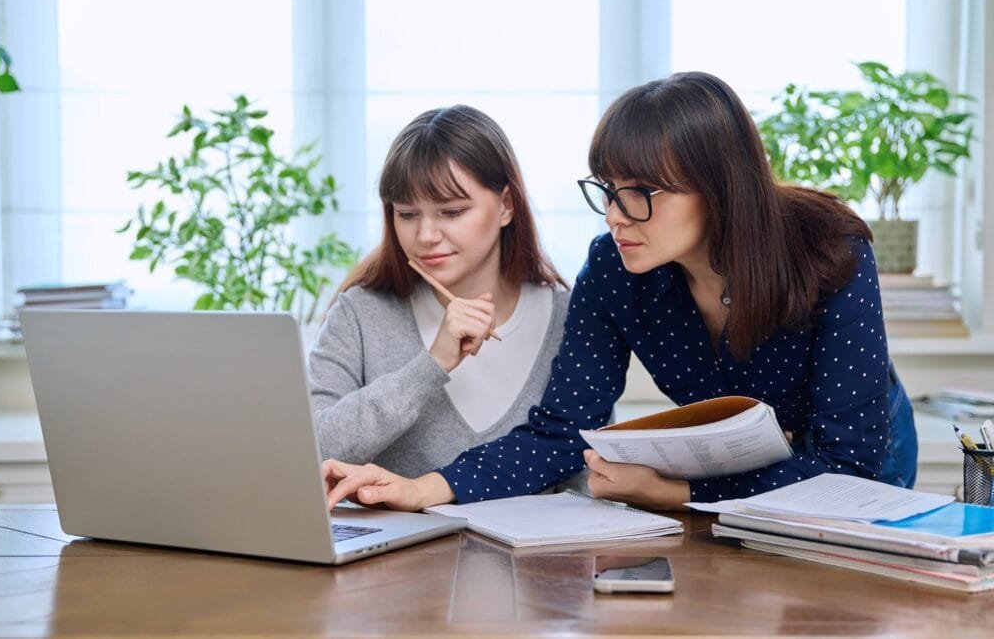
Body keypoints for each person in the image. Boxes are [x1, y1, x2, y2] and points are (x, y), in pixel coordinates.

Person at [323, 72, 918, 512]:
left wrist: (676, 492)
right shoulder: (614, 268)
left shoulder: (830, 251)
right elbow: (560, 431)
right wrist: (423, 488)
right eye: (607, 189)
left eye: (637, 193)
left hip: (850, 466)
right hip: (731, 473)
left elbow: (849, 463)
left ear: (716, 187)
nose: (614, 214)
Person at [310, 104, 569, 481]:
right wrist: (431, 365)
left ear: (506, 206)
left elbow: (581, 469)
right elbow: (314, 451)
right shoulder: (360, 313)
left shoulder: (568, 315)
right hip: (403, 541)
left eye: (451, 212)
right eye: (408, 214)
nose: (426, 236)